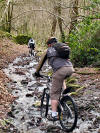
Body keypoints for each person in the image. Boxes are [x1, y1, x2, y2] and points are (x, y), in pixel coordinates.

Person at [34, 37, 74, 121]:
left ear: (49, 44)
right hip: (70, 69)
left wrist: (37, 73)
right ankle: (65, 94)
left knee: (54, 93)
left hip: (60, 70)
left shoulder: (49, 50)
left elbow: (40, 63)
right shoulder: (62, 48)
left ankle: (54, 115)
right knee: (61, 79)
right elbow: (67, 59)